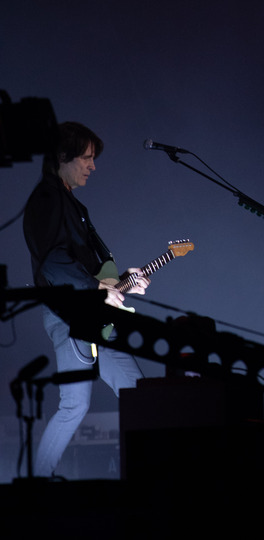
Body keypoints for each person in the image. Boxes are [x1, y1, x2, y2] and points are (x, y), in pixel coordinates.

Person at [23, 121, 150, 478]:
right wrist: (96, 288)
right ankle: (36, 481)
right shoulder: (46, 199)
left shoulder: (76, 207)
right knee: (74, 405)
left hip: (98, 314)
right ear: (63, 157)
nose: (93, 166)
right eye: (86, 158)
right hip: (69, 314)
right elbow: (52, 259)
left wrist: (124, 281)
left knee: (140, 396)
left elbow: (97, 266)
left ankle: (150, 474)